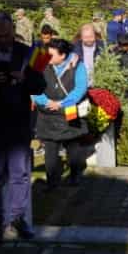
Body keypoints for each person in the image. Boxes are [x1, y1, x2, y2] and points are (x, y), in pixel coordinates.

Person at [0, 12, 44, 243]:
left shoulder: (31, 52)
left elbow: (41, 85)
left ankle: (18, 217)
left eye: (6, 35)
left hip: (19, 122)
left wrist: (24, 78)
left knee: (20, 173)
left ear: (13, 30)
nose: (3, 40)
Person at [33, 38, 94, 187]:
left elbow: (80, 88)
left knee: (73, 144)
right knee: (50, 148)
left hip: (69, 109)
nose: (48, 57)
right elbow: (31, 83)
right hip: (47, 111)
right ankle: (52, 180)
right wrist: (45, 101)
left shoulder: (77, 65)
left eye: (52, 55)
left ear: (63, 55)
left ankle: (75, 175)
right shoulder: (40, 59)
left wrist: (62, 103)